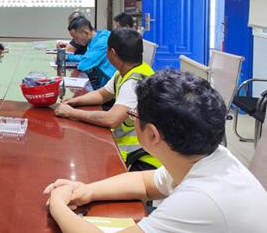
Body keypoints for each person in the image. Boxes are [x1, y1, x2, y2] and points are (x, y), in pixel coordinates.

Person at [44, 69, 267, 233]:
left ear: (152, 134)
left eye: (134, 114)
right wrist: (86, 191)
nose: (132, 117)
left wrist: (58, 204)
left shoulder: (201, 199)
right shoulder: (206, 157)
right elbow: (145, 182)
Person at [54, 28, 159, 170]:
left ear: (112, 53)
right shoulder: (128, 71)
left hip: (143, 159)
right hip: (130, 151)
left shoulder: (134, 82)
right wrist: (74, 101)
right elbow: (102, 94)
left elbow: (111, 119)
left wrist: (71, 113)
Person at [64, 17, 115, 90]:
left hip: (111, 88)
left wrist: (69, 57)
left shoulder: (102, 42)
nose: (75, 42)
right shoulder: (95, 39)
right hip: (102, 84)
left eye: (76, 38)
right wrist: (67, 57)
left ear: (86, 32)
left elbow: (84, 65)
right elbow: (87, 57)